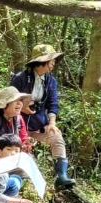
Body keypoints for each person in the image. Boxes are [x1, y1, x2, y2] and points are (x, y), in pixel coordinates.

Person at [9, 44, 76, 188]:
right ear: (42, 61)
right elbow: (9, 99)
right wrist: (21, 108)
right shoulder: (20, 78)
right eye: (51, 60)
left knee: (56, 137)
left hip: (39, 124)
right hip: (19, 124)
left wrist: (52, 122)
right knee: (19, 149)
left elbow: (53, 103)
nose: (53, 63)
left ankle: (61, 177)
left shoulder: (51, 81)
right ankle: (20, 181)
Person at [0, 87, 31, 157]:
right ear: (4, 104)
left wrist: (26, 146)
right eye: (15, 100)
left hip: (13, 156)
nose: (19, 103)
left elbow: (24, 139)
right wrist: (6, 150)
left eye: (20, 100)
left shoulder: (19, 119)